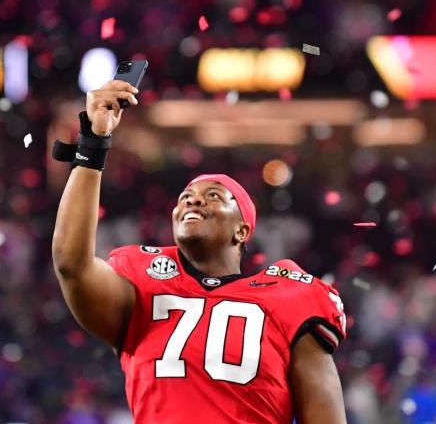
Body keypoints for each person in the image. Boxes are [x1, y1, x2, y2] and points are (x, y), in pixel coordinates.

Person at [51, 79, 348, 424]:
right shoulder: (143, 285)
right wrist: (92, 146)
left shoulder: (289, 297)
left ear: (242, 230)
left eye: (214, 197)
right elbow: (71, 264)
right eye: (186, 198)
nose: (193, 199)